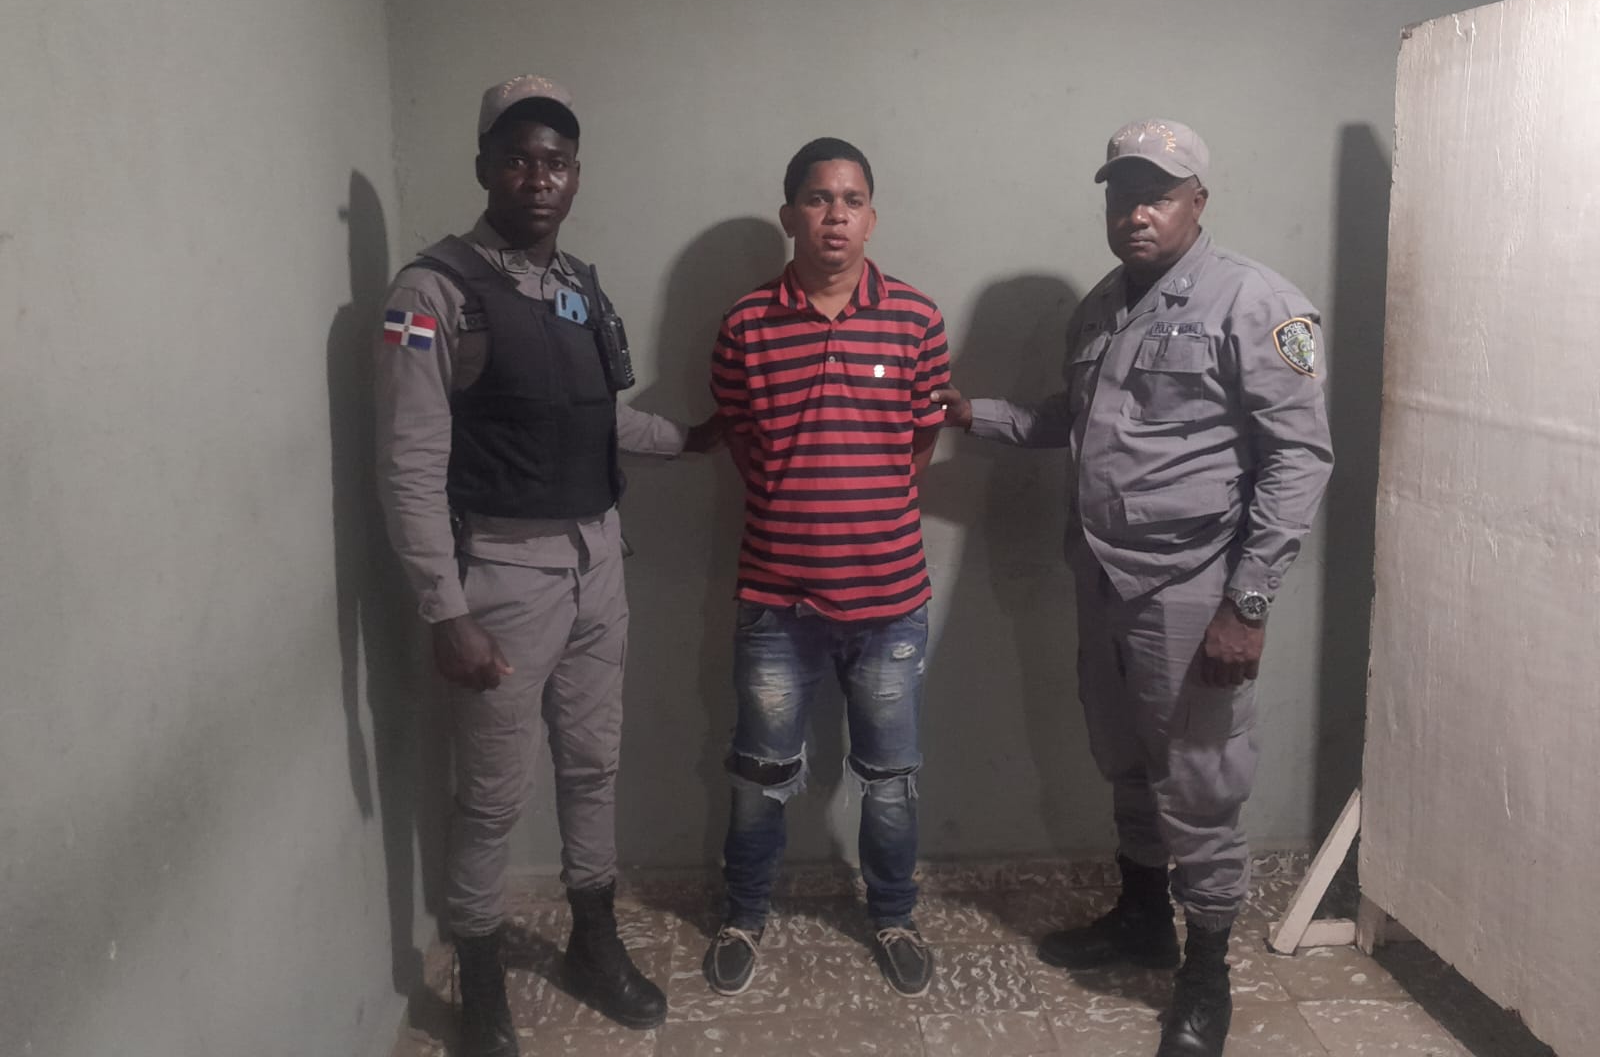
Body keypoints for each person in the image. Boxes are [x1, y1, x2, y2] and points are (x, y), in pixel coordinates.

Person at [933, 119, 1333, 1057]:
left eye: (1157, 195)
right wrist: (972, 413)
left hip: (1195, 588)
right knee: (1125, 759)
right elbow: (1072, 421)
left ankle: (1206, 974)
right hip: (1104, 575)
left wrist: (1247, 605)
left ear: (1199, 200)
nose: (1136, 213)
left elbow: (1300, 460)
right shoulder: (1103, 307)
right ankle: (1144, 917)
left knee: (1199, 780)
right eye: (1122, 196)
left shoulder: (1256, 303)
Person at [374, 75, 719, 1056]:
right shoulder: (433, 293)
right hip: (501, 574)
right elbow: (408, 463)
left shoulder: (576, 286)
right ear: (485, 167)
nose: (538, 178)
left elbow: (594, 417)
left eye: (556, 162)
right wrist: (445, 611)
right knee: (491, 797)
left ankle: (592, 941)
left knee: (593, 765)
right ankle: (482, 981)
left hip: (597, 560)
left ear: (575, 175)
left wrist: (688, 438)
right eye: (519, 159)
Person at [701, 138, 951, 999]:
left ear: (871, 217)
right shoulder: (745, 324)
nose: (834, 215)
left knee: (891, 781)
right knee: (759, 776)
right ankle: (744, 913)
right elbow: (740, 436)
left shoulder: (916, 319)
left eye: (850, 200)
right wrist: (799, 508)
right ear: (790, 215)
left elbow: (921, 438)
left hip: (890, 602)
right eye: (817, 199)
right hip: (777, 601)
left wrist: (867, 510)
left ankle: (894, 915)